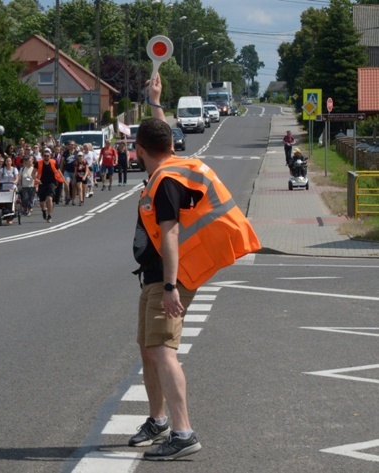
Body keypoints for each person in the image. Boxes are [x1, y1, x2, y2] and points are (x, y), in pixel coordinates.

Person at [129, 73, 260, 461]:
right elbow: (161, 133)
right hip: (157, 276)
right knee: (148, 347)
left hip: (172, 277)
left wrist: (170, 288)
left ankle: (183, 431)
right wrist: (155, 100)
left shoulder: (166, 180)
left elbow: (168, 235)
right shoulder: (176, 161)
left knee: (163, 350)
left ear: (139, 149)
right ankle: (158, 421)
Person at [32, 147, 64, 223]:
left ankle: (49, 215)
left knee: (49, 198)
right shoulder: (38, 163)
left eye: (48, 155)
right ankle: (43, 210)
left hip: (51, 183)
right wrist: (36, 180)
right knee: (42, 202)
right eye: (45, 155)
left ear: (50, 156)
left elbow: (59, 172)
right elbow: (32, 174)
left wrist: (63, 181)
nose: (46, 157)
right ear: (42, 156)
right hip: (42, 183)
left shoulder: (54, 162)